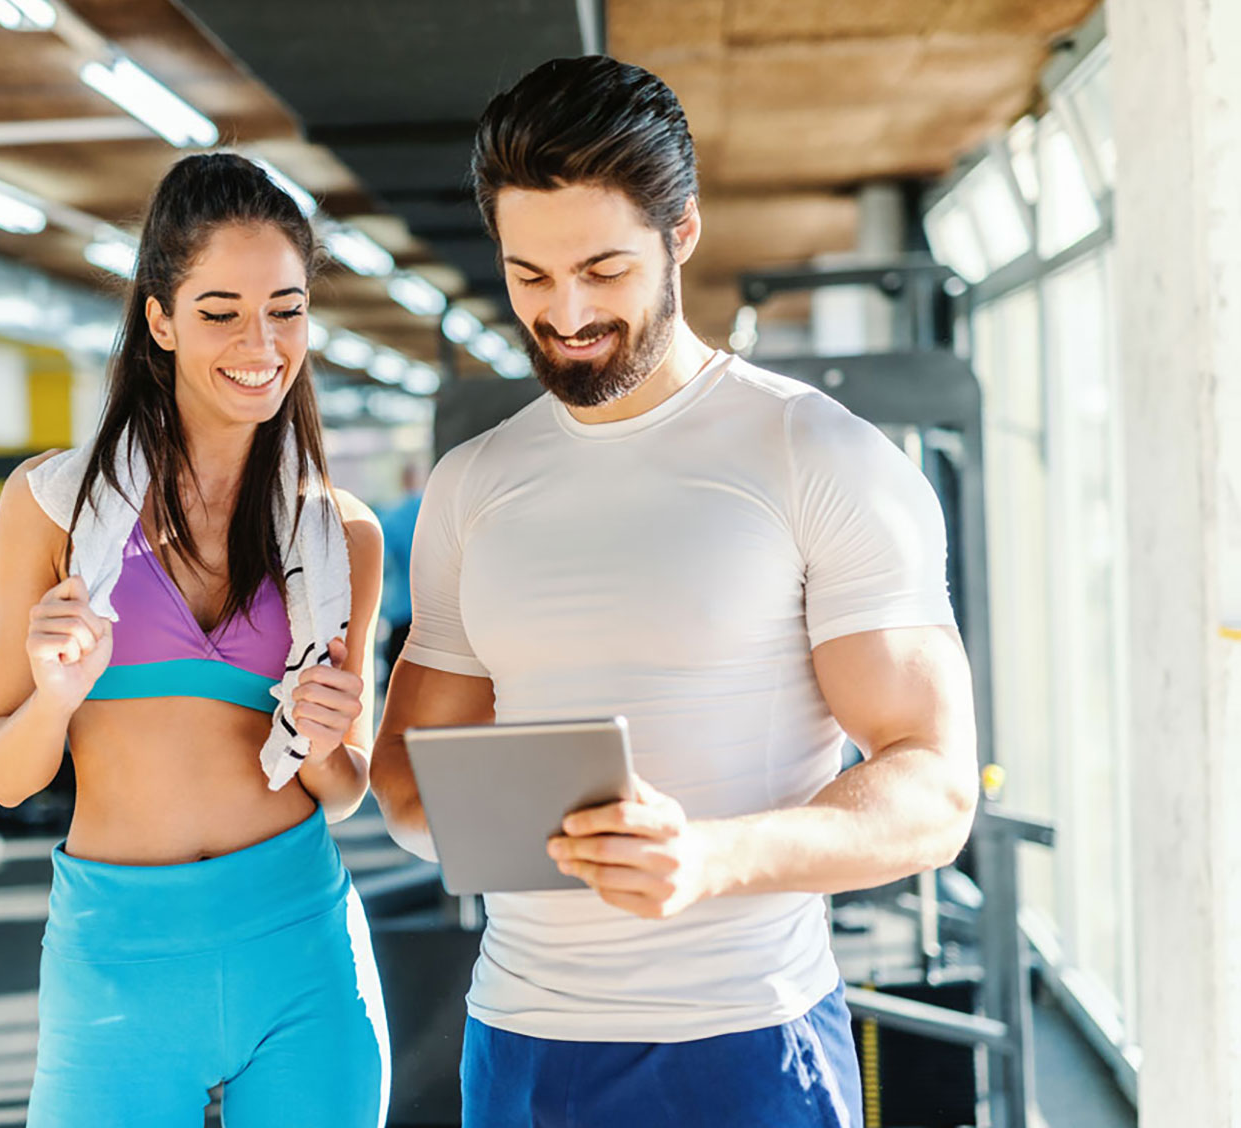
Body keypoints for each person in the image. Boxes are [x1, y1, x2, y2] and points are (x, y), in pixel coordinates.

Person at [370, 56, 978, 1128]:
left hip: (742, 1040)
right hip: (517, 1041)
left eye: (603, 270)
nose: (564, 314)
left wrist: (710, 857)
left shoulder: (814, 454)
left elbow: (932, 787)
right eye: (530, 276)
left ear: (680, 231)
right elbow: (414, 790)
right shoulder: (474, 485)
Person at [0, 153, 389, 1128]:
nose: (261, 341)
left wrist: (328, 742)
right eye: (220, 311)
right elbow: (2, 774)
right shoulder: (49, 510)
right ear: (159, 319)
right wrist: (58, 693)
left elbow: (347, 784)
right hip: (118, 956)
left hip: (300, 940)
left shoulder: (338, 533)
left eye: (286, 309)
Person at [377, 461, 425, 674]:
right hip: (436, 614)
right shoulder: (437, 511)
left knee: (398, 681)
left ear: (402, 481)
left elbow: (380, 560)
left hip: (402, 612)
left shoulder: (394, 517)